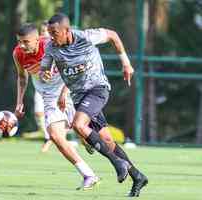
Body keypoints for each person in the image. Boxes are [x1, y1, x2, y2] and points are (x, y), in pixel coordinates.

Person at [41, 13, 148, 197]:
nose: (51, 36)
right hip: (79, 97)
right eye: (49, 32)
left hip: (98, 89)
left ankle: (117, 163)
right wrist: (46, 74)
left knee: (78, 125)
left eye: (54, 32)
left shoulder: (87, 37)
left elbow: (113, 35)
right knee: (106, 140)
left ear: (67, 30)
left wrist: (126, 63)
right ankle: (137, 176)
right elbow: (45, 69)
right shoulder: (51, 47)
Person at [13, 23, 99, 190]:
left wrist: (65, 92)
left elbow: (74, 69)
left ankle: (94, 145)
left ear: (38, 39)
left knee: (83, 132)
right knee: (55, 135)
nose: (22, 46)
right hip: (49, 97)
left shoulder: (52, 46)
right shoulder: (18, 54)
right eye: (19, 42)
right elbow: (22, 78)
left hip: (69, 90)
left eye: (26, 42)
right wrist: (19, 101)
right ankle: (88, 174)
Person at [22, 21, 53, 152]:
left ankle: (85, 137)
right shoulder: (34, 46)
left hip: (56, 86)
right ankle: (48, 138)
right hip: (40, 86)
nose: (44, 34)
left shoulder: (54, 46)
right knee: (38, 112)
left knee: (66, 116)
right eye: (42, 31)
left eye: (47, 31)